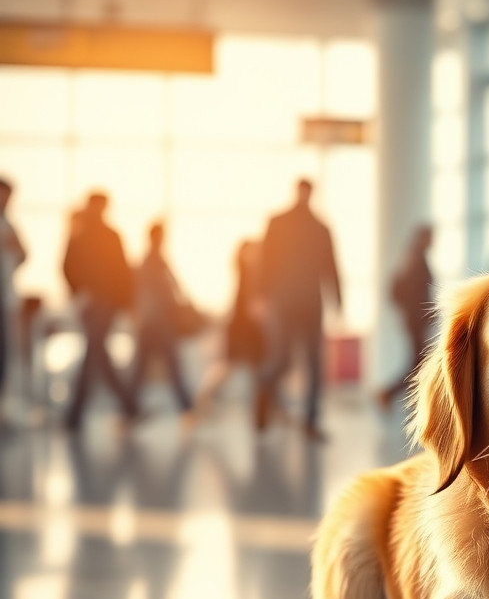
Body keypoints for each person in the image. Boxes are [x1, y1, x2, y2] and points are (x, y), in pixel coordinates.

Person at [255, 179, 341, 440]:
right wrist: (260, 296)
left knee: (314, 363)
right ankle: (263, 388)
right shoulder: (277, 222)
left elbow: (331, 265)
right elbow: (264, 261)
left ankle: (310, 421)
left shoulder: (321, 228)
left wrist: (338, 300)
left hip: (310, 302)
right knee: (282, 359)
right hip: (283, 303)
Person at [62, 193, 139, 430]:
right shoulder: (82, 234)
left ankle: (75, 415)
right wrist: (79, 292)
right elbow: (67, 266)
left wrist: (125, 305)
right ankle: (128, 406)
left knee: (93, 351)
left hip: (106, 304)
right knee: (97, 353)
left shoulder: (107, 235)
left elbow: (123, 273)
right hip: (91, 303)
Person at [194, 239, 268, 415]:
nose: (255, 255)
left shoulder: (246, 273)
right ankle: (204, 397)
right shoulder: (247, 274)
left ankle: (263, 408)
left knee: (253, 369)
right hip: (241, 331)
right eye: (251, 251)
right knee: (232, 367)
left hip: (246, 331)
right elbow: (250, 307)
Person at [129, 222, 193, 416]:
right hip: (158, 321)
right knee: (171, 366)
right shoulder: (154, 261)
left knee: (141, 369)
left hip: (149, 321)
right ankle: (187, 407)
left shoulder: (148, 260)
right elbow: (167, 290)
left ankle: (129, 408)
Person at [378, 225, 435, 408]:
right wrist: (417, 312)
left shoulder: (413, 259)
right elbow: (417, 294)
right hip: (416, 322)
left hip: (414, 321)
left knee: (417, 362)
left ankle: (397, 396)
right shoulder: (417, 261)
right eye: (431, 237)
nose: (433, 241)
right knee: (418, 363)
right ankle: (388, 393)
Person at [0, 178, 26, 410]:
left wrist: (15, 247)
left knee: (7, 352)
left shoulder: (9, 225)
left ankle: (5, 403)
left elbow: (23, 255)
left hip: (6, 296)